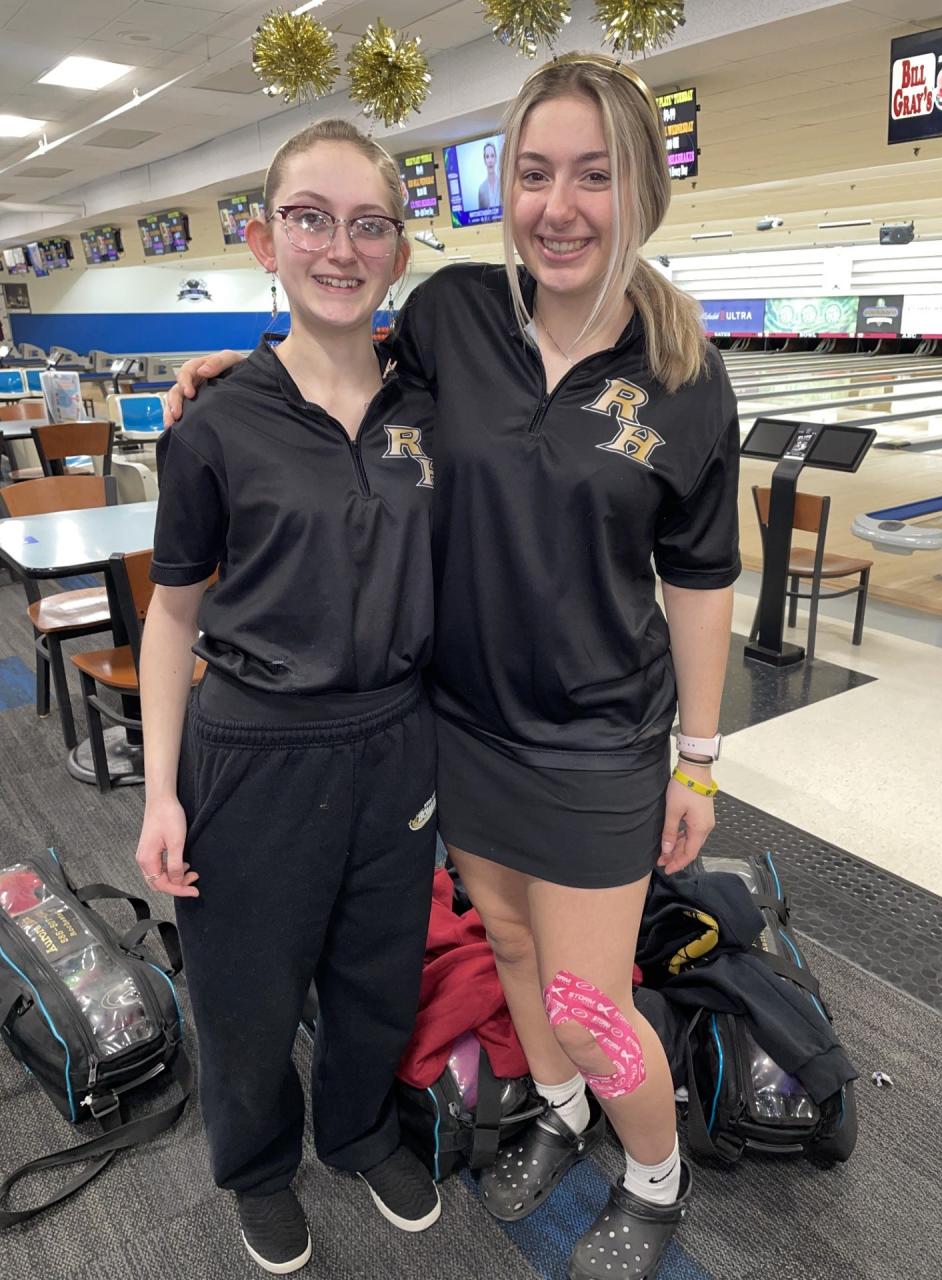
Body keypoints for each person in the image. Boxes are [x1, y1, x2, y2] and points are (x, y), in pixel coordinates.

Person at [167, 52, 740, 1280]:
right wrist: (237, 372)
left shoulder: (687, 375)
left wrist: (699, 759)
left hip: (596, 738)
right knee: (518, 952)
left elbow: (699, 583)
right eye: (535, 173)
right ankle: (561, 1107)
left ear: (642, 187)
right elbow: (348, 382)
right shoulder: (456, 317)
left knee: (593, 995)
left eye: (595, 173)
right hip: (460, 721)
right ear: (505, 192)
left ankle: (656, 1172)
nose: (560, 203)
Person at [135, 119, 442, 1276]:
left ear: (398, 250)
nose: (339, 246)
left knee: (377, 968)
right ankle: (258, 1163)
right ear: (265, 239)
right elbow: (172, 615)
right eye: (310, 218)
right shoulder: (213, 425)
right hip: (253, 749)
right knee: (247, 988)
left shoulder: (432, 407)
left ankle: (359, 1126)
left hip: (394, 742)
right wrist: (160, 791)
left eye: (369, 223)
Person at [477, 139, 501, 209]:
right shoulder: (481, 189)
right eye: (487, 157)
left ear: (496, 158)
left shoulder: (504, 185)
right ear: (484, 160)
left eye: (492, 156)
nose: (490, 160)